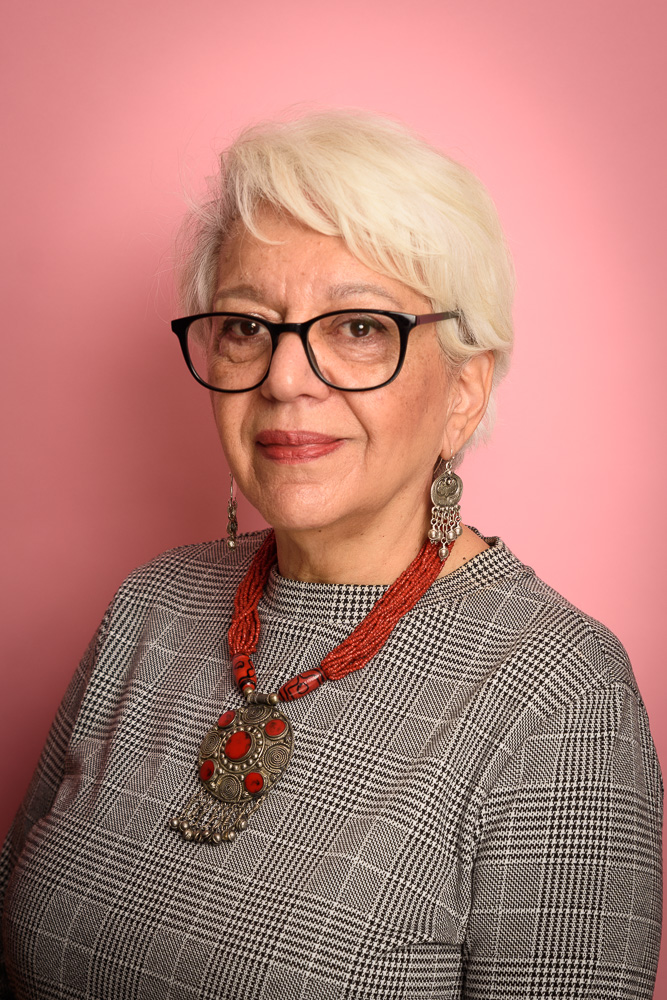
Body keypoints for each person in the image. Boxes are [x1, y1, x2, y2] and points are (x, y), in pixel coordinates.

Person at [0, 110, 662, 999]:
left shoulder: (558, 697)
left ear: (464, 391)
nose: (283, 379)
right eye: (246, 326)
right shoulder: (149, 605)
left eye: (356, 327)